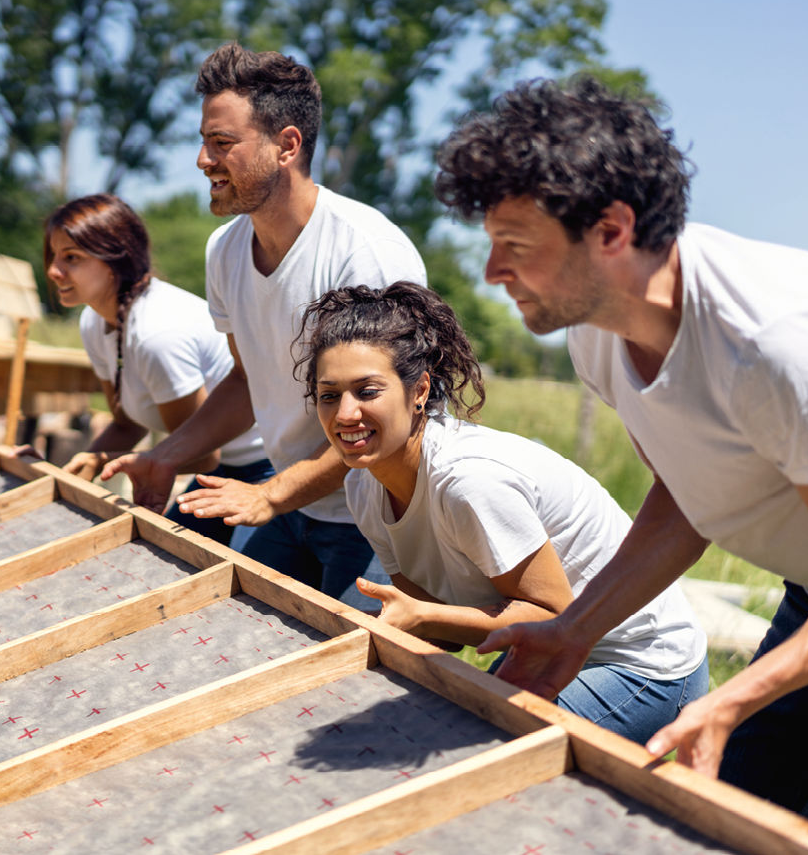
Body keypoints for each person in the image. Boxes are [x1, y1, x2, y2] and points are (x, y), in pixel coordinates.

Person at [433, 76, 808, 839]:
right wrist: (574, 631)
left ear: (611, 230)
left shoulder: (773, 344)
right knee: (719, 818)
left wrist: (730, 697)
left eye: (517, 246)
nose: (493, 272)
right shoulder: (596, 332)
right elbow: (685, 494)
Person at [297, 281, 708, 743]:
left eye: (367, 391)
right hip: (542, 650)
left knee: (476, 753)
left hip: (638, 661)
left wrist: (418, 621)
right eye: (329, 396)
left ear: (420, 391)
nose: (345, 414)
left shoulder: (469, 482)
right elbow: (436, 624)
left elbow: (552, 617)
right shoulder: (363, 486)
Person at [101, 42, 426, 601]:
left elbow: (384, 421)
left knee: (348, 683)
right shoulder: (224, 250)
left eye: (222, 143)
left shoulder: (363, 254)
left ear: (287, 146)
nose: (204, 161)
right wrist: (164, 457)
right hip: (292, 502)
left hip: (378, 516)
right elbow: (247, 379)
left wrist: (272, 495)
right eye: (204, 142)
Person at [41, 194, 271, 544]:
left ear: (115, 259)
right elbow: (126, 423)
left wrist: (107, 460)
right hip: (219, 469)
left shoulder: (157, 335)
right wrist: (82, 464)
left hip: (263, 468)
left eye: (71, 258)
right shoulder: (94, 321)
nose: (53, 271)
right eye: (53, 256)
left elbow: (204, 455)